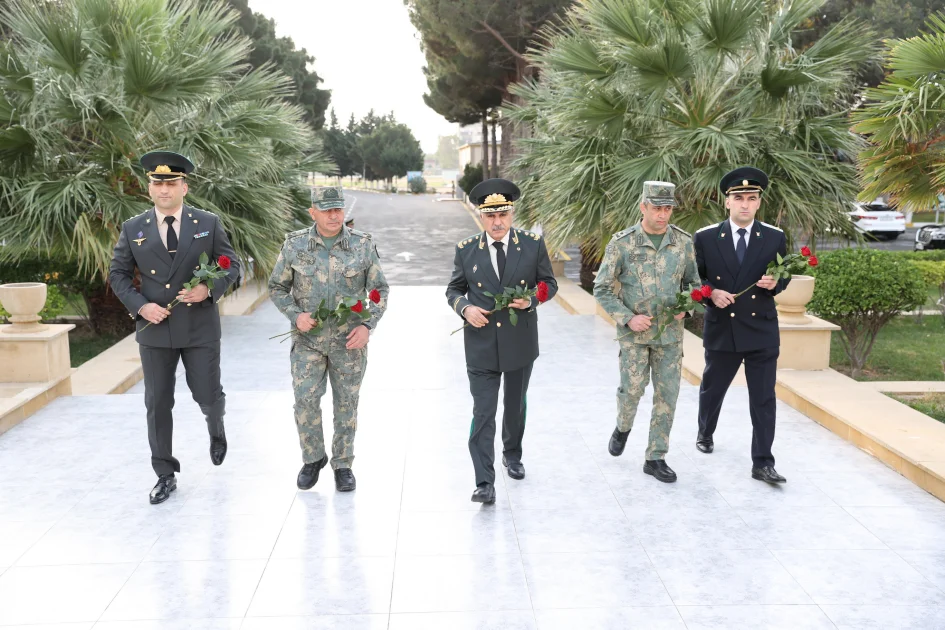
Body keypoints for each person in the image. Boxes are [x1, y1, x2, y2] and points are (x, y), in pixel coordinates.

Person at [109, 150, 240, 504]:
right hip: (155, 329)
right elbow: (118, 274)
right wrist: (141, 306)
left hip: (198, 327)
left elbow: (232, 266)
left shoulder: (207, 224)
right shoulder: (133, 228)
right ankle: (164, 473)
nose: (163, 190)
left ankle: (216, 425)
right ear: (149, 189)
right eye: (157, 183)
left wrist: (206, 289)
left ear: (184, 186)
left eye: (170, 183)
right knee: (157, 403)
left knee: (207, 395)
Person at [268, 186, 389, 492]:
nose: (335, 215)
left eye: (338, 209)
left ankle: (343, 464)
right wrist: (295, 315)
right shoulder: (295, 245)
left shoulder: (362, 244)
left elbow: (379, 291)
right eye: (327, 210)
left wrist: (367, 326)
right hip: (308, 341)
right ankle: (313, 459)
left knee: (346, 403)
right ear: (313, 212)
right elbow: (276, 287)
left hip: (348, 342)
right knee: (305, 401)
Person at [446, 178, 558, 504]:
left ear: (512, 214)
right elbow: (453, 290)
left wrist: (532, 301)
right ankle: (484, 481)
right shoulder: (466, 250)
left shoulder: (533, 244)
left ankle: (512, 452)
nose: (497, 223)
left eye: (503, 216)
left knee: (514, 405)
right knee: (483, 411)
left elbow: (548, 284)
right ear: (481, 216)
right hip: (480, 343)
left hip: (519, 340)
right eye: (490, 216)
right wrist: (465, 308)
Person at [594, 181, 700, 482]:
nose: (663, 215)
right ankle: (623, 426)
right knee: (633, 391)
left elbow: (694, 284)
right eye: (657, 208)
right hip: (635, 336)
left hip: (670, 335)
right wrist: (627, 318)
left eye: (667, 208)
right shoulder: (622, 243)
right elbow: (601, 289)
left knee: (668, 395)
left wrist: (687, 305)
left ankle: (655, 457)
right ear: (643, 207)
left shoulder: (683, 242)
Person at [693, 167, 789, 484]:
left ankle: (763, 462)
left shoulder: (774, 237)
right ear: (727, 202)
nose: (745, 204)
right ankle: (705, 431)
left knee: (763, 399)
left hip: (761, 330)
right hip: (722, 329)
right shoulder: (706, 238)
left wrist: (776, 282)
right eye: (738, 198)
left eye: (751, 198)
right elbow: (695, 280)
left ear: (759, 203)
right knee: (712, 390)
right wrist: (711, 294)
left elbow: (785, 274)